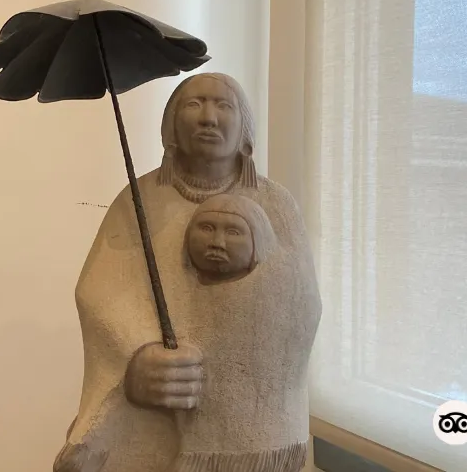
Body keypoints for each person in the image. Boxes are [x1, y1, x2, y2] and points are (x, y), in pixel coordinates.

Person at [55, 73, 321, 472]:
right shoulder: (139, 201)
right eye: (194, 105)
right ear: (171, 126)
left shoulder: (276, 205)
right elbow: (99, 296)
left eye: (223, 105)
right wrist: (137, 358)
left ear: (245, 128)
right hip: (152, 424)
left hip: (245, 436)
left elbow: (299, 307)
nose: (208, 118)